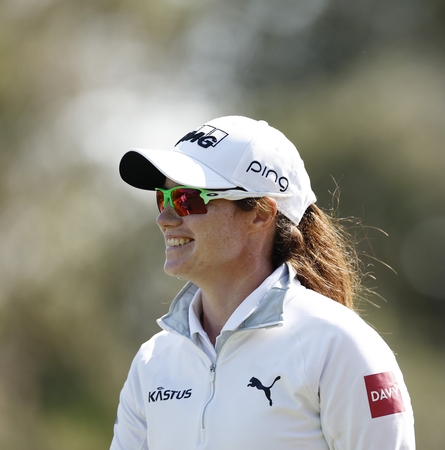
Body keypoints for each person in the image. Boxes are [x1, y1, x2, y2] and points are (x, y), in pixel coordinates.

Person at [110, 115, 415, 449]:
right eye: (163, 198)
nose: (165, 218)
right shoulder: (153, 362)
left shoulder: (340, 345)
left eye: (186, 200)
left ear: (260, 213)